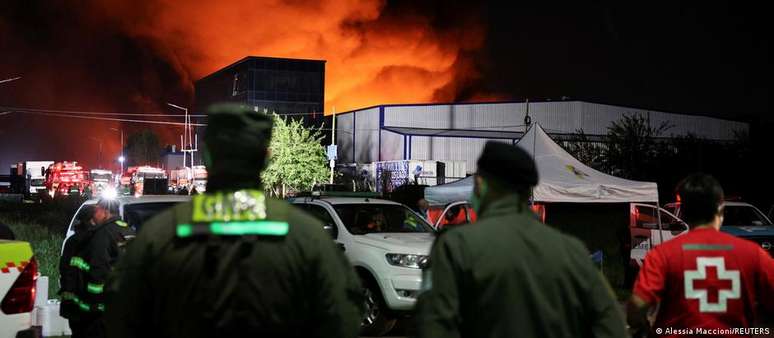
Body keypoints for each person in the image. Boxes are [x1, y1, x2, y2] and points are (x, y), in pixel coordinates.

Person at [104, 103, 364, 338]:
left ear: (206, 156)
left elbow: (120, 316)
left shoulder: (158, 236)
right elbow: (344, 319)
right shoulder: (308, 237)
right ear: (265, 159)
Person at [415, 141, 627, 338]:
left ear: (479, 184)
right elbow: (611, 326)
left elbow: (433, 325)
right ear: (527, 192)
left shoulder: (456, 246)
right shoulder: (572, 251)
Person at [627, 174, 774, 337]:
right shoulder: (753, 254)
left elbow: (638, 304)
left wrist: (642, 326)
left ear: (683, 211)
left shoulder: (662, 255)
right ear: (720, 208)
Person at [67, 199, 135, 338]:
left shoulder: (102, 235)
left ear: (105, 211)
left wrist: (94, 306)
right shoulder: (128, 231)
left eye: (96, 210)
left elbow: (98, 270)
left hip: (103, 310)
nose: (94, 214)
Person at [59, 206, 94, 326]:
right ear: (92, 220)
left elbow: (63, 268)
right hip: (87, 298)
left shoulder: (71, 241)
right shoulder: (94, 240)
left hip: (72, 300)